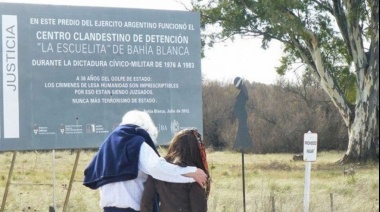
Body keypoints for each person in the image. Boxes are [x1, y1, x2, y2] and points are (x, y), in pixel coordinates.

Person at [83, 110, 208, 212]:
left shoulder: (107, 145)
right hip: (131, 208)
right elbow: (156, 168)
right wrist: (191, 172)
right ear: (146, 128)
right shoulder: (135, 142)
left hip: (108, 207)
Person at [140, 128, 211, 212]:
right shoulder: (196, 174)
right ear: (195, 149)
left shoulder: (160, 169)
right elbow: (199, 209)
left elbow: (146, 203)